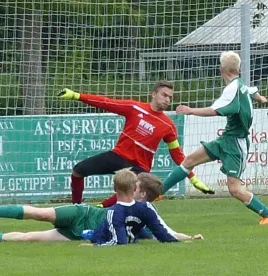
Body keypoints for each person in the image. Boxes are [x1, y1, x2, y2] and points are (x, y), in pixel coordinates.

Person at [160, 51, 268, 226]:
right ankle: (159, 192)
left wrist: (191, 110)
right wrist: (260, 98)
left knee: (234, 189)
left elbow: (214, 110)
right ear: (239, 69)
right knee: (190, 160)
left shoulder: (232, 90)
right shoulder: (240, 85)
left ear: (220, 70)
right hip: (226, 139)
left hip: (235, 145)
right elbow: (252, 91)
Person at [57, 81, 213, 207]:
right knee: (77, 171)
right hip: (117, 157)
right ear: (154, 94)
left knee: (133, 192)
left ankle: (101, 209)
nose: (167, 100)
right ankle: (75, 208)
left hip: (139, 167)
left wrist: (192, 177)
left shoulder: (168, 125)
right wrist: (76, 96)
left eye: (170, 97)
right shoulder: (134, 108)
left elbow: (177, 154)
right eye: (164, 95)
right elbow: (106, 102)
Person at [0, 170, 203, 243]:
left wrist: (189, 238)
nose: (133, 185)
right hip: (83, 213)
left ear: (141, 193)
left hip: (80, 235)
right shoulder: (132, 205)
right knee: (39, 213)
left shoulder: (143, 215)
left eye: (137, 185)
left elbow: (164, 232)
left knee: (31, 237)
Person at [83, 170, 204, 246]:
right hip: (93, 219)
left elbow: (166, 232)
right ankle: (91, 233)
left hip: (89, 219)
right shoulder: (145, 208)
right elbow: (164, 234)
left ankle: (91, 234)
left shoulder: (116, 212)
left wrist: (95, 245)